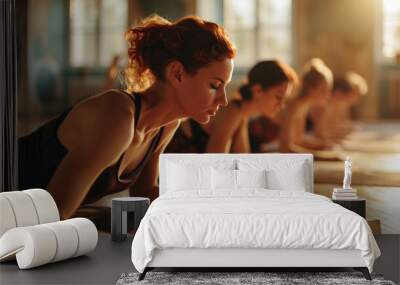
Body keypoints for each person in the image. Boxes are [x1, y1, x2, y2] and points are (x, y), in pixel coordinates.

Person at [18, 15, 236, 219]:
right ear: (177, 73)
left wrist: (201, 200)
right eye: (215, 86)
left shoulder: (166, 126)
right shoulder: (120, 116)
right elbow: (54, 212)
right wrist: (109, 219)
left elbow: (143, 193)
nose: (224, 100)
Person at [165, 60, 298, 153]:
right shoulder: (232, 112)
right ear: (258, 90)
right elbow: (215, 164)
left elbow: (243, 160)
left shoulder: (242, 114)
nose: (281, 105)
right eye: (279, 97)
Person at [279, 58, 334, 154]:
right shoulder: (293, 107)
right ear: (311, 88)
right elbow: (285, 149)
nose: (328, 95)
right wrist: (321, 155)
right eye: (323, 90)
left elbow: (299, 141)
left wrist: (324, 146)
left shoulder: (303, 106)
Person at [311, 72, 368, 142]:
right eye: (356, 95)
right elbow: (320, 133)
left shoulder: (341, 105)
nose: (357, 99)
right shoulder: (322, 105)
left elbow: (335, 126)